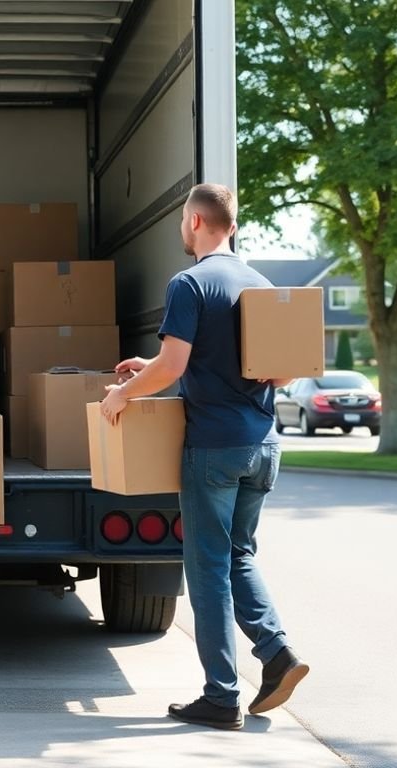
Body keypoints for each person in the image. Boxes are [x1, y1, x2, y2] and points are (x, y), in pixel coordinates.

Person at [98, 183, 309, 730]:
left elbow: (172, 369)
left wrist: (123, 394)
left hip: (215, 447)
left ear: (194, 222)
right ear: (231, 225)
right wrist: (153, 362)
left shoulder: (189, 283)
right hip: (263, 444)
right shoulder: (259, 284)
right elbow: (280, 369)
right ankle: (277, 652)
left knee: (209, 568)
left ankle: (221, 696)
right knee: (239, 554)